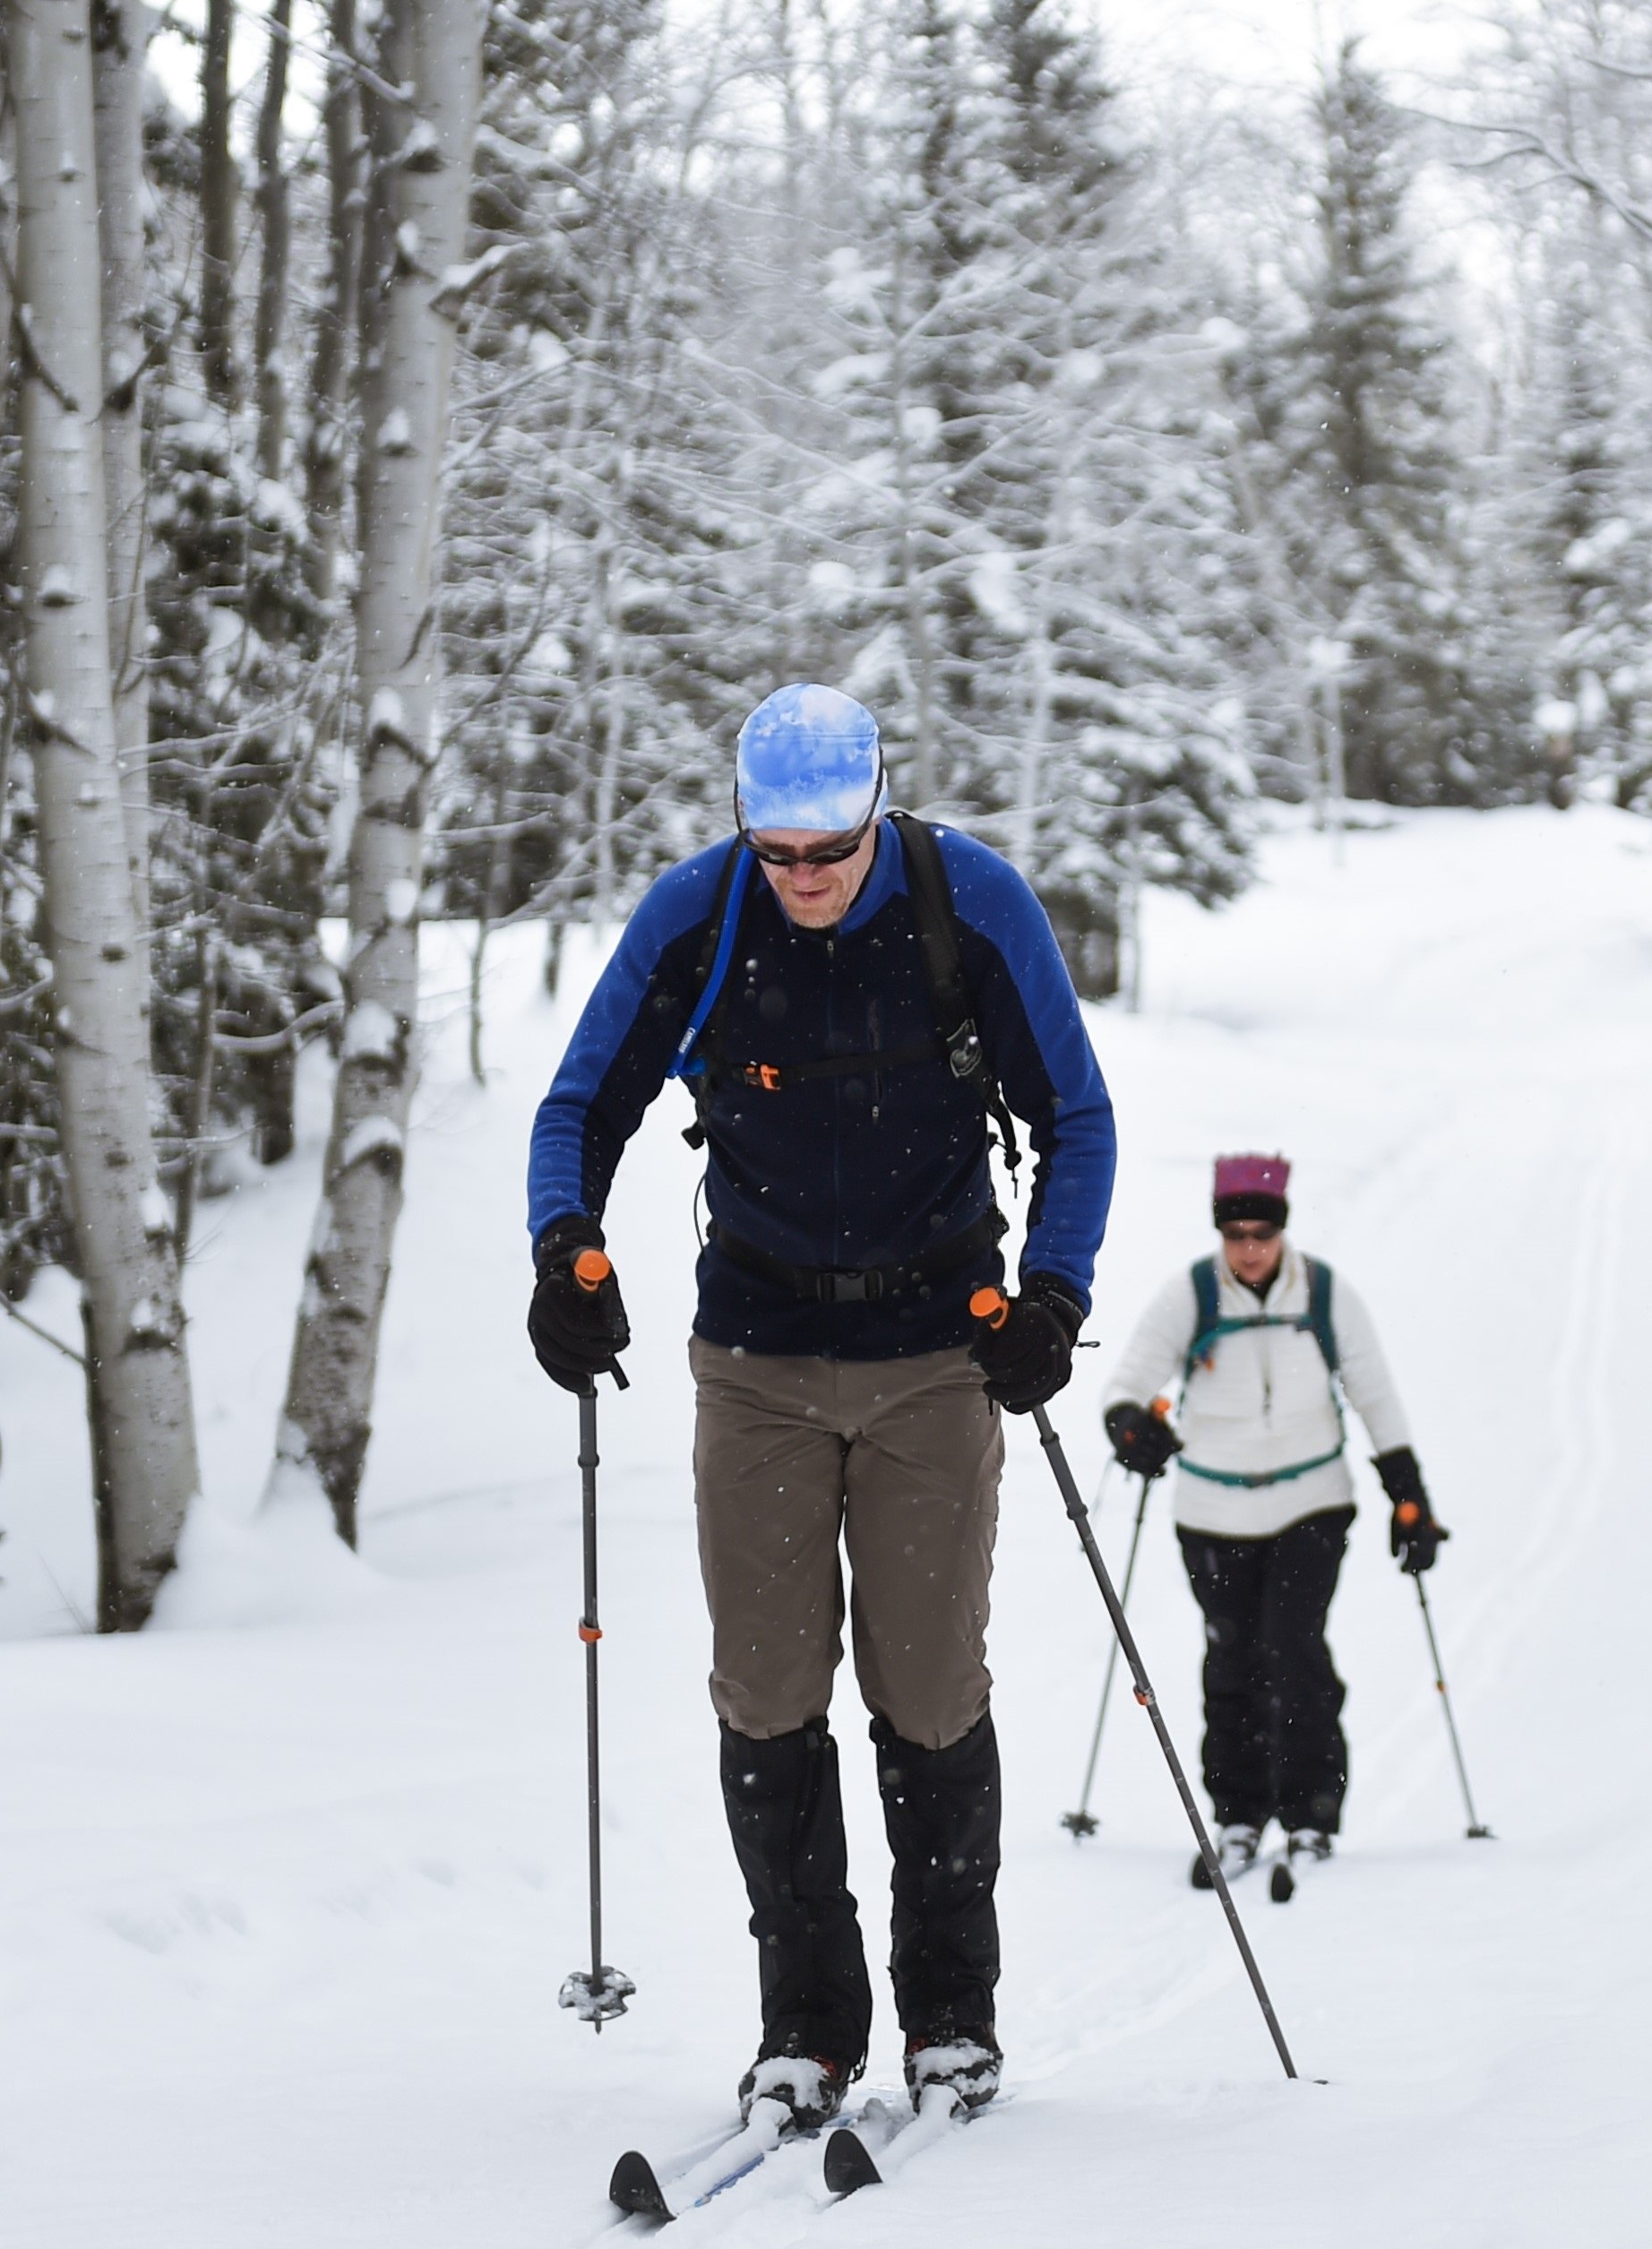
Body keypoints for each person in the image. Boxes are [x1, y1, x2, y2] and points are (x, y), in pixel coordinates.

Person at [525, 685, 1115, 2137]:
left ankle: (950, 2019)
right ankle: (807, 2025)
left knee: (925, 1692)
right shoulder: (700, 917)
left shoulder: (968, 905)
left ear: (874, 813)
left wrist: (1053, 1294)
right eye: (777, 852)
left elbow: (1076, 1120)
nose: (803, 879)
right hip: (758, 1358)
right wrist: (563, 1248)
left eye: (828, 851)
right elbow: (578, 1110)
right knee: (769, 1694)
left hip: (935, 1358)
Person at [1097, 1153, 1442, 1900]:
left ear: (1282, 1228)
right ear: (1220, 1231)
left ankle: (1311, 1813)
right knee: (1232, 1660)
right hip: (1212, 1512)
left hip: (1311, 1502)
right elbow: (1127, 1382)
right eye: (1235, 1232)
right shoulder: (1190, 1295)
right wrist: (1130, 1427)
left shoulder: (1323, 1293)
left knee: (1292, 1649)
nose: (1249, 1246)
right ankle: (1240, 1815)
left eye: (1263, 1231)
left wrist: (1407, 1492)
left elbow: (1374, 1391)